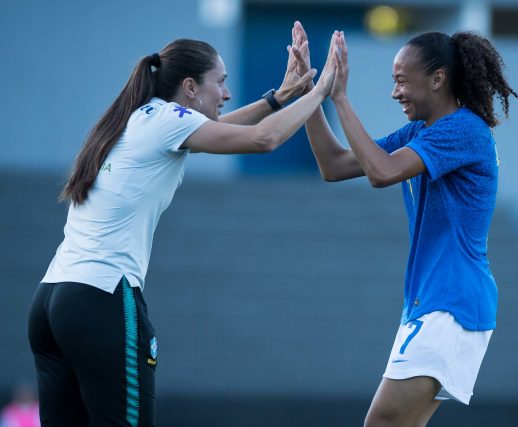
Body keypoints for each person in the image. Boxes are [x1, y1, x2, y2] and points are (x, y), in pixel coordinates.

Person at [28, 34, 339, 427]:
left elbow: (220, 128)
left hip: (52, 300)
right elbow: (265, 139)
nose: (226, 93)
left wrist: (278, 98)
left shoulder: (138, 116)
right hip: (101, 297)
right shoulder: (165, 123)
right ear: (190, 88)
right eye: (220, 82)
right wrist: (321, 89)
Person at [290, 22, 518, 426]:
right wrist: (312, 95)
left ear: (437, 79)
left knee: (381, 423)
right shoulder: (422, 131)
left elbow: (380, 172)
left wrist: (340, 96)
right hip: (433, 302)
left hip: (451, 302)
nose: (394, 91)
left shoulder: (464, 130)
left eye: (401, 81)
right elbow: (335, 165)